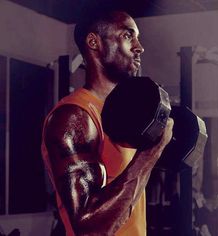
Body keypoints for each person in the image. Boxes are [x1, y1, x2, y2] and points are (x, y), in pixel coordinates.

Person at [41, 10, 174, 236]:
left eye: (137, 37)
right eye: (127, 36)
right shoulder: (74, 116)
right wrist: (151, 152)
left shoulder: (125, 116)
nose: (139, 47)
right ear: (94, 42)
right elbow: (88, 229)